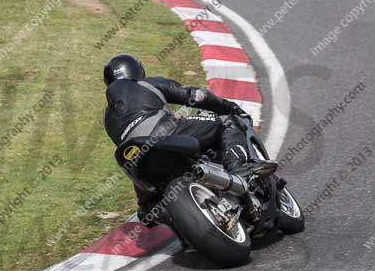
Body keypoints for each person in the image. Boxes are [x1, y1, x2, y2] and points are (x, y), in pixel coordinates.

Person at [103, 54, 272, 221]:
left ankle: (163, 214)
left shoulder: (108, 117)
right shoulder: (146, 84)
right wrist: (229, 107)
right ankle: (239, 170)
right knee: (228, 122)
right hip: (165, 134)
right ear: (137, 70)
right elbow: (196, 96)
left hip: (138, 164)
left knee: (149, 207)